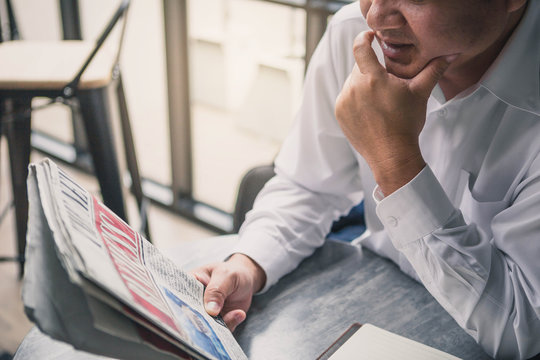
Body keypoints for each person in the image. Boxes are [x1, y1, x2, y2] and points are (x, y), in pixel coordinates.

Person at [193, 0, 540, 358]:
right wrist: (248, 264)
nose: (375, 15)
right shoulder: (354, 33)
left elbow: (521, 329)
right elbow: (309, 185)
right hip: (376, 294)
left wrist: (396, 164)